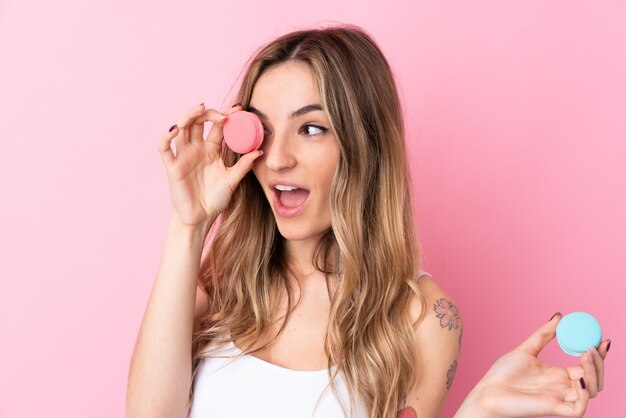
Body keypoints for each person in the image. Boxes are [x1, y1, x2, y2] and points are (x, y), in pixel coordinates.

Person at [126, 24, 609, 418]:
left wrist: (479, 409)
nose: (276, 159)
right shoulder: (220, 282)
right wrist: (188, 226)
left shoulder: (422, 318)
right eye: (263, 131)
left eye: (312, 128)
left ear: (366, 146)